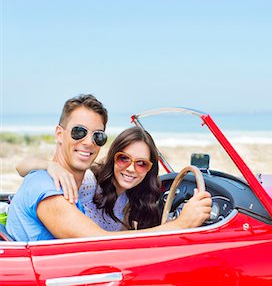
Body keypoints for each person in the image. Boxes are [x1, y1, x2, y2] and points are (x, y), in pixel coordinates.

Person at [7, 94, 212, 241]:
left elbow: (22, 166)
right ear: (59, 134)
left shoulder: (67, 183)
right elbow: (101, 242)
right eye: (79, 132)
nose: (88, 142)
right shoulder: (47, 189)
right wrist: (181, 224)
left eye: (98, 136)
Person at [16, 126, 163, 231]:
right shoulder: (89, 182)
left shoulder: (129, 200)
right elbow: (20, 166)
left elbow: (120, 241)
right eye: (124, 158)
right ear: (113, 158)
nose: (131, 168)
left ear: (149, 169)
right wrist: (49, 165)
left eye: (141, 163)